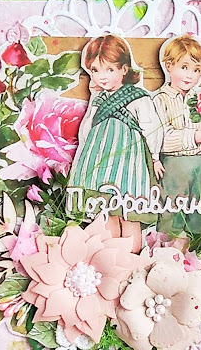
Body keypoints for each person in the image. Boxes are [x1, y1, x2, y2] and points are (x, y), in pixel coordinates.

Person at [67, 35, 163, 223]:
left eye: (109, 69)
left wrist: (154, 157)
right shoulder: (98, 99)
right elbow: (86, 129)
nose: (102, 76)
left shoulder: (138, 97)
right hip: (98, 160)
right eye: (95, 70)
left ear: (124, 69)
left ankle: (130, 240)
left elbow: (152, 127)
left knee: (127, 212)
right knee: (105, 211)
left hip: (127, 160)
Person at [153, 35, 201, 238]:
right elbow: (160, 139)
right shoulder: (160, 100)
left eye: (196, 70)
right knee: (172, 210)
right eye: (184, 67)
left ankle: (197, 246)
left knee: (200, 210)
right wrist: (197, 136)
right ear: (168, 66)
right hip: (175, 166)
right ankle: (167, 247)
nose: (190, 75)